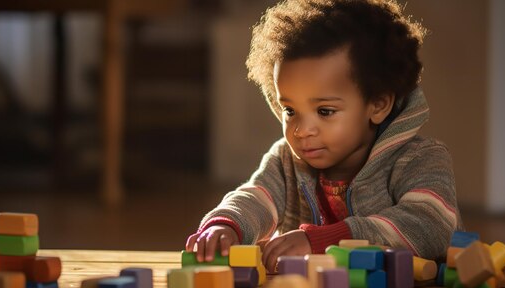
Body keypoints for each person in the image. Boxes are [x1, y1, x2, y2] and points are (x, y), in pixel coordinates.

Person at [185, 0, 463, 273]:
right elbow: (256, 198)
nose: (302, 130)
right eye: (290, 110)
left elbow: (429, 225)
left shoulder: (422, 158)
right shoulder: (285, 160)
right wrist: (226, 225)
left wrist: (320, 240)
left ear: (378, 104)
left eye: (325, 111)